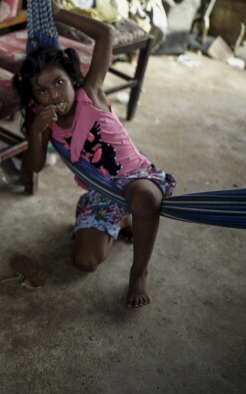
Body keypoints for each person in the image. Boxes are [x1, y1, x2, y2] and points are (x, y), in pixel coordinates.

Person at [12, 2, 176, 308]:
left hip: (137, 178)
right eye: (42, 91)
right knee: (84, 262)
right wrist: (35, 133)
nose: (54, 95)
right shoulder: (43, 120)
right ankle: (123, 219)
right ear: (34, 97)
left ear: (72, 78)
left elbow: (105, 34)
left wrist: (60, 16)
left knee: (145, 200)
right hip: (102, 193)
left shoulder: (92, 92)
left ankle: (139, 272)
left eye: (58, 83)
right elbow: (34, 166)